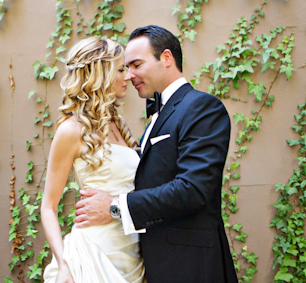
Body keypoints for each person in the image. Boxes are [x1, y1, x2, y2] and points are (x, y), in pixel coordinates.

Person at [74, 25, 238, 283]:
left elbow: (192, 189)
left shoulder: (202, 107)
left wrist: (115, 206)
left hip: (192, 268)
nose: (129, 75)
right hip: (152, 266)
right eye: (125, 68)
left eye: (136, 64)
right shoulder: (154, 118)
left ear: (166, 58)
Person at [41, 37, 146, 283]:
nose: (129, 76)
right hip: (92, 258)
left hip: (132, 255)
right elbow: (48, 207)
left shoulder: (118, 124)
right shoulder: (71, 130)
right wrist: (63, 264)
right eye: (121, 69)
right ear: (100, 73)